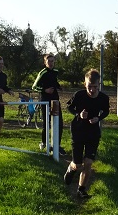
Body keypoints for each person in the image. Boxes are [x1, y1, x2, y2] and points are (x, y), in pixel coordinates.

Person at [63, 69, 109, 199]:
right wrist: (79, 114)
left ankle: (81, 190)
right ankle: (71, 168)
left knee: (88, 162)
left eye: (95, 87)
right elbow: (69, 107)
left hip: (93, 133)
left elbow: (106, 111)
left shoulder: (103, 98)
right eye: (89, 87)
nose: (92, 90)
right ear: (85, 84)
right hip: (78, 131)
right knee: (78, 164)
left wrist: (98, 118)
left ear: (99, 84)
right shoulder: (79, 95)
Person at [31, 53, 67, 156]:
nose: (51, 63)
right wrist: (45, 90)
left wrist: (59, 87)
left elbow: (54, 82)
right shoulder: (43, 73)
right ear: (45, 62)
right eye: (49, 61)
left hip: (55, 100)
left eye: (52, 61)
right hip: (45, 101)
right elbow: (34, 86)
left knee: (59, 122)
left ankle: (57, 145)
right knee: (46, 123)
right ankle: (44, 142)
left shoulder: (55, 72)